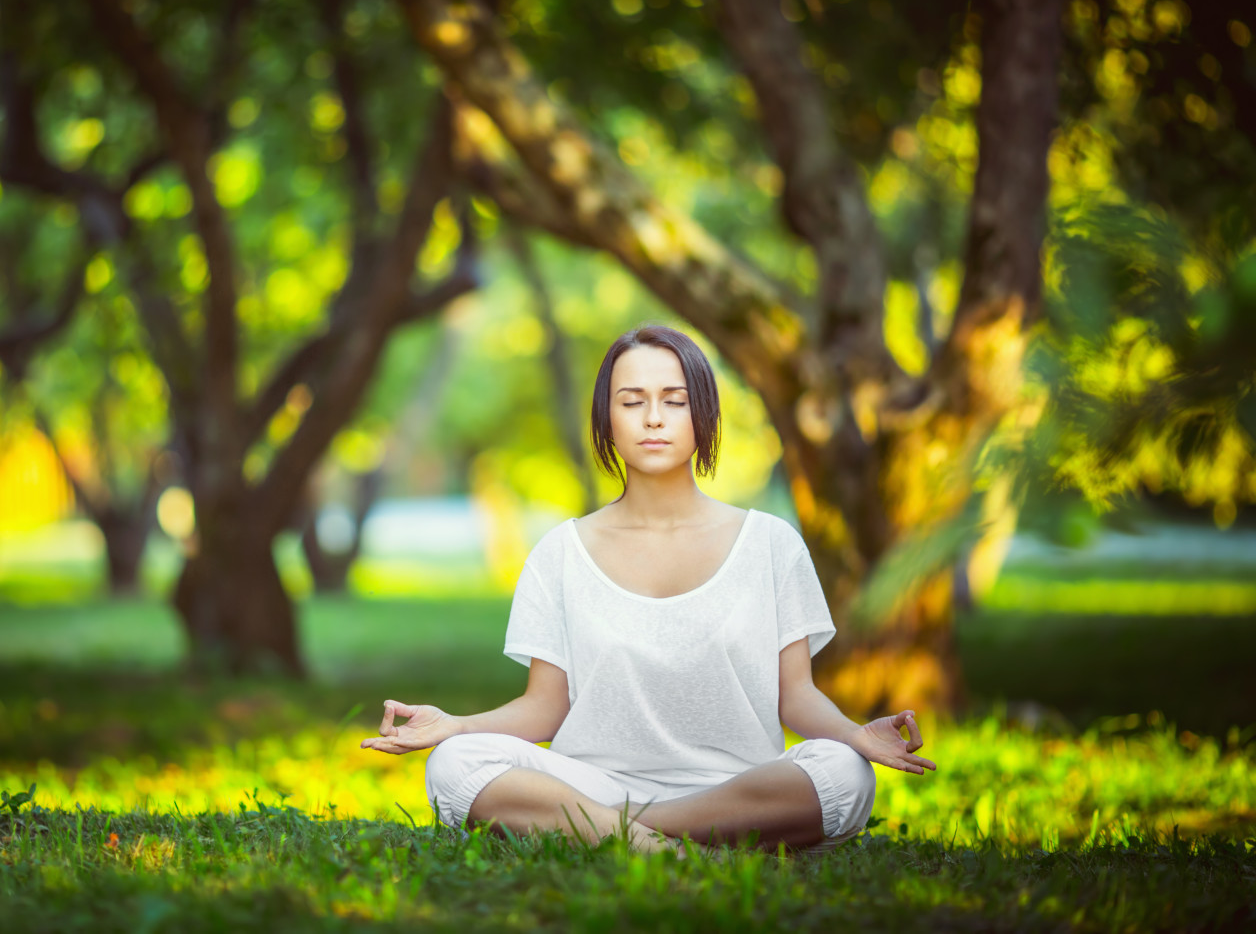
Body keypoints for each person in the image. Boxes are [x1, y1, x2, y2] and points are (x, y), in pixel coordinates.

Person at [360, 324, 936, 854]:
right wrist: (454, 726)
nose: (653, 419)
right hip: (592, 779)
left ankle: (618, 831)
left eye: (675, 401)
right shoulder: (560, 553)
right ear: (607, 419)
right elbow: (544, 708)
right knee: (455, 764)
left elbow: (796, 697)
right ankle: (675, 845)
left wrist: (857, 735)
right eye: (632, 403)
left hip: (736, 785)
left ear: (703, 416)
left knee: (845, 773)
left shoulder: (770, 544)